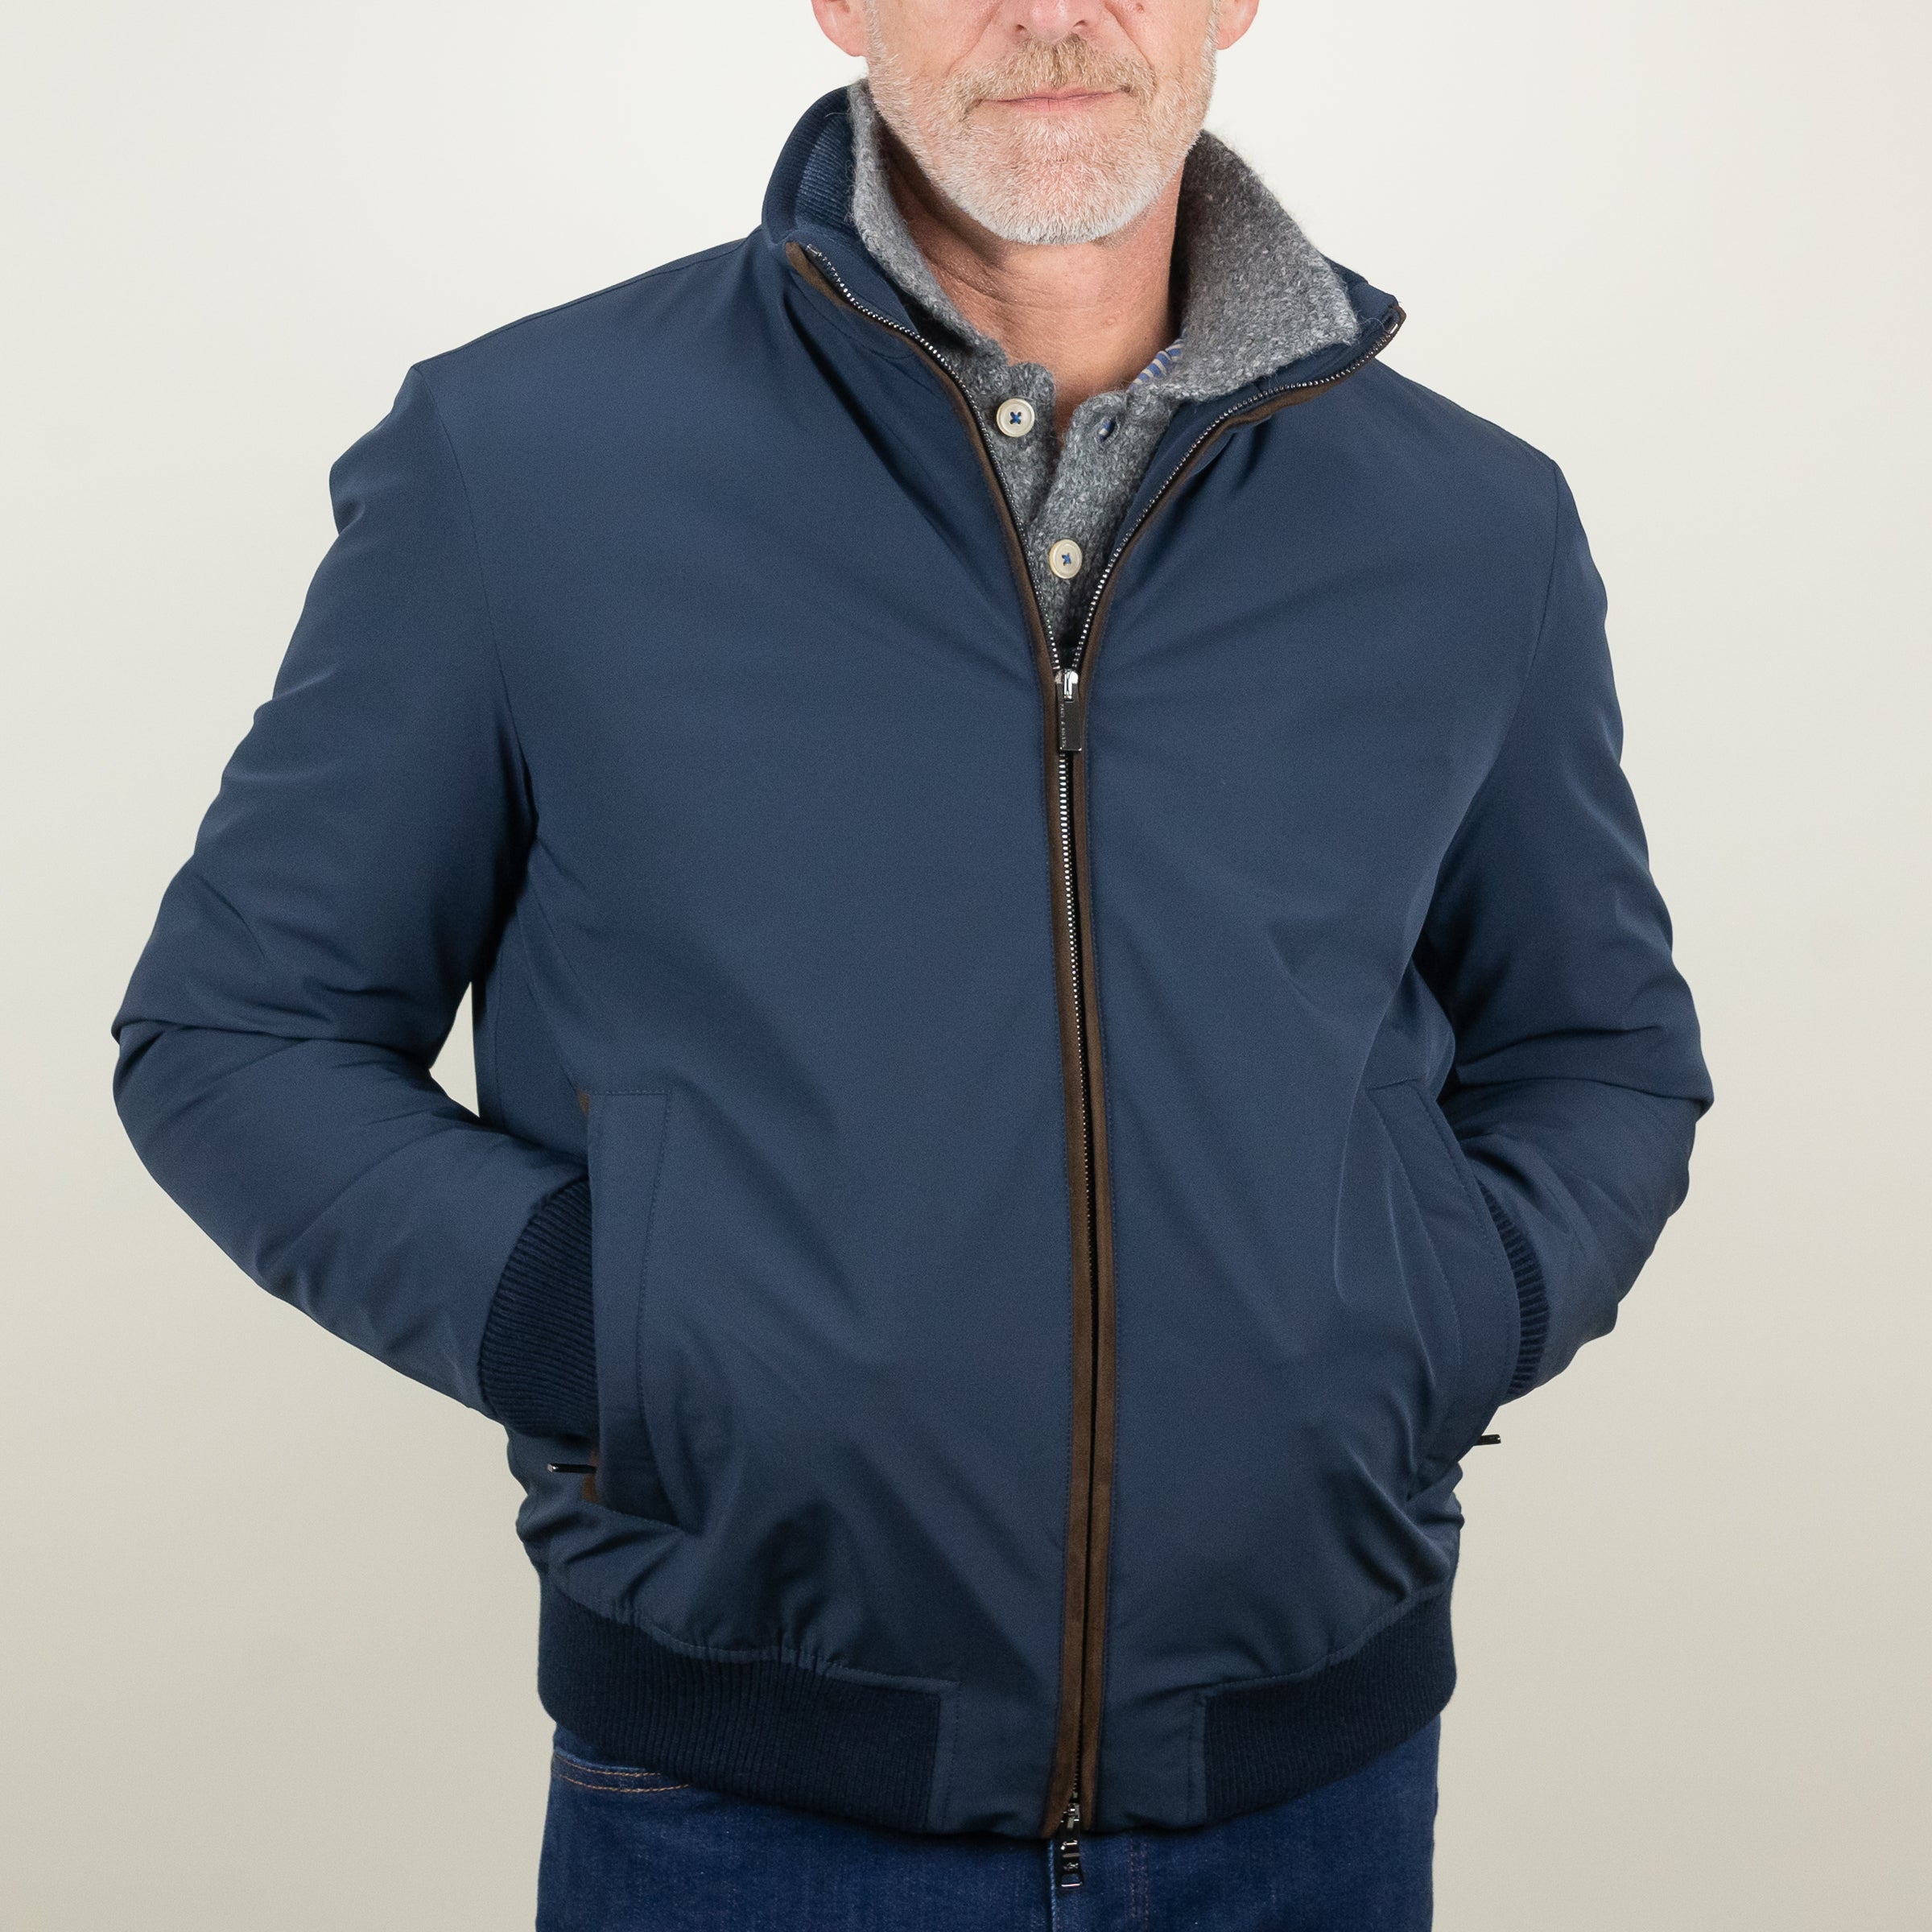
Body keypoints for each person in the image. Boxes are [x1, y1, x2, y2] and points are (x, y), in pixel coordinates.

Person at [109, 2, 1712, 1926]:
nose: (1054, 12)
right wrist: (610, 1328)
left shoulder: (1471, 522)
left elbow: (1599, 1049)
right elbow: (237, 1033)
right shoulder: (527, 456)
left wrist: (1440, 1313)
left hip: (1311, 1801)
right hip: (733, 1809)